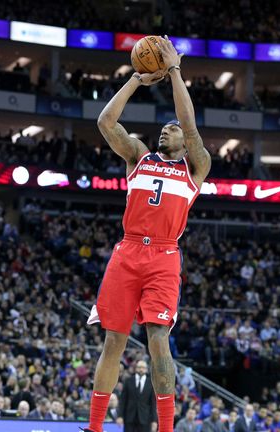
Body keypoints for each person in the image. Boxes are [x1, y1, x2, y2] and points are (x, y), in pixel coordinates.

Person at [84, 36, 211, 432]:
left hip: (163, 255)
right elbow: (106, 122)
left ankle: (168, 428)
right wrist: (137, 80)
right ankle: (95, 426)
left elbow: (188, 124)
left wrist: (174, 72)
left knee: (159, 340)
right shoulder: (138, 155)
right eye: (163, 128)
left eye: (170, 129)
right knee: (113, 342)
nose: (165, 131)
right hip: (126, 252)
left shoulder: (196, 165)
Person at [118, 361, 157, 432]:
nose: (141, 369)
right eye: (139, 367)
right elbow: (123, 400)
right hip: (129, 417)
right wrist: (120, 416)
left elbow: (153, 403)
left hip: (145, 418)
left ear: (146, 369)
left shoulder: (151, 383)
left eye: (143, 367)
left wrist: (154, 420)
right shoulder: (128, 381)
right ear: (136, 368)